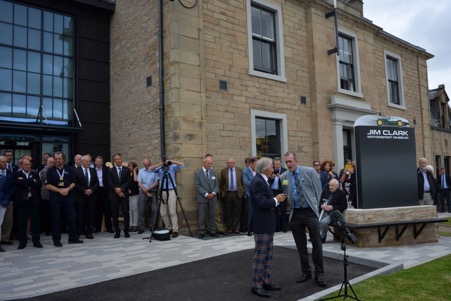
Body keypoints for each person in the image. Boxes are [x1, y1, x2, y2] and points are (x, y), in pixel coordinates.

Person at [281, 151, 326, 287]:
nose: (288, 164)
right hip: (295, 214)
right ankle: (306, 272)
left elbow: (318, 191)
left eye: (290, 161)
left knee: (317, 244)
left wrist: (314, 207)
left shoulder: (310, 172)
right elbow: (285, 194)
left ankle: (320, 273)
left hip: (310, 212)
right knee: (301, 246)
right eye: (286, 162)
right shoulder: (284, 176)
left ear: (297, 161)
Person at [249, 157, 286, 298]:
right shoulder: (257, 182)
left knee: (268, 255)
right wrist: (276, 200)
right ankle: (256, 285)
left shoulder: (262, 180)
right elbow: (262, 202)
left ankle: (265, 280)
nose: (274, 169)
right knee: (260, 256)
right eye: (272, 166)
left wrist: (275, 199)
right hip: (261, 225)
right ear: (265, 168)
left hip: (267, 224)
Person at [45, 151, 83, 247]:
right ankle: (56, 240)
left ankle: (73, 238)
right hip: (55, 198)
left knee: (72, 218)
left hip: (68, 197)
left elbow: (74, 182)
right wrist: (59, 190)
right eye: (56, 159)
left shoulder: (69, 169)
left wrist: (67, 189)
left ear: (63, 159)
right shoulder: (50, 170)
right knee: (56, 219)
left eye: (59, 158)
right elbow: (47, 185)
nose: (57, 160)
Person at [149, 157, 185, 238]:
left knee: (172, 211)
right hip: (162, 190)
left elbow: (182, 164)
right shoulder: (159, 168)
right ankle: (168, 228)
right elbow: (150, 169)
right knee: (163, 212)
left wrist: (171, 161)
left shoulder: (172, 167)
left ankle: (175, 230)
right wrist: (159, 164)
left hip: (171, 190)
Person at [14, 158, 43, 249]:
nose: (27, 166)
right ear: (21, 165)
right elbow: (17, 185)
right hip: (22, 202)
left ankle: (36, 241)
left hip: (33, 201)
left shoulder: (34, 173)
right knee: (22, 222)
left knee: (35, 222)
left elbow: (39, 185)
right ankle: (22, 242)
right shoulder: (17, 174)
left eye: (29, 164)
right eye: (25, 164)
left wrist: (25, 181)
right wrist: (31, 181)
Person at [73, 155, 99, 239]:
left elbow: (97, 183)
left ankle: (89, 232)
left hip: (91, 197)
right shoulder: (76, 171)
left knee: (90, 216)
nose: (88, 163)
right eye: (87, 161)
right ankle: (78, 233)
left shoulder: (93, 170)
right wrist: (84, 190)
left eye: (89, 161)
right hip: (80, 197)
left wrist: (91, 190)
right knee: (80, 216)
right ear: (82, 161)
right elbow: (75, 184)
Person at [195, 156, 219, 238]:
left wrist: (213, 193)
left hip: (212, 197)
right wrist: (206, 194)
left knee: (212, 215)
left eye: (211, 164)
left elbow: (216, 184)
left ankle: (213, 231)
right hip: (203, 198)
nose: (210, 165)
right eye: (208, 163)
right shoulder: (198, 173)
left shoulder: (213, 172)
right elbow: (197, 186)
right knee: (202, 216)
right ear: (204, 163)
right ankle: (202, 231)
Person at [108, 153, 131, 239]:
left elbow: (128, 181)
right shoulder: (111, 170)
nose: (119, 160)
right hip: (114, 195)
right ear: (114, 161)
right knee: (114, 214)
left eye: (120, 159)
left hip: (124, 194)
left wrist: (121, 189)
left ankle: (126, 231)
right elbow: (109, 182)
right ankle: (117, 231)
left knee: (126, 213)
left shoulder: (127, 170)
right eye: (117, 159)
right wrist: (117, 190)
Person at [220, 158, 245, 234]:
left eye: (232, 163)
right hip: (228, 193)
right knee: (228, 211)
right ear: (227, 163)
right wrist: (223, 192)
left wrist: (242, 190)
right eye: (229, 163)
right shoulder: (223, 171)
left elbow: (242, 182)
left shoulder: (239, 170)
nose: (230, 164)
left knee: (237, 211)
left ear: (234, 163)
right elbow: (222, 183)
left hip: (237, 193)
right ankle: (230, 227)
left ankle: (236, 227)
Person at [137, 158, 159, 234]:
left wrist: (148, 189)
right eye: (145, 165)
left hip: (152, 190)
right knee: (141, 209)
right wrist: (145, 191)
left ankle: (153, 226)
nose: (147, 166)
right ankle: (141, 227)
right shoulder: (141, 171)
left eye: (148, 165)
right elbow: (139, 183)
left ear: (150, 163)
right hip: (143, 191)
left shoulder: (154, 171)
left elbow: (156, 182)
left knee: (154, 209)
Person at [1, 150, 18, 244]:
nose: (9, 157)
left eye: (11, 155)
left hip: (9, 198)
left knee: (8, 218)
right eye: (7, 155)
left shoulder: (13, 169)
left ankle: (5, 238)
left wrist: (10, 194)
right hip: (1, 198)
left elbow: (14, 184)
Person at [93, 156, 113, 233]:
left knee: (107, 210)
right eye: (98, 162)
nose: (99, 163)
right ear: (95, 162)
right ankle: (97, 227)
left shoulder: (107, 169)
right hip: (96, 191)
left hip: (105, 191)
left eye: (101, 162)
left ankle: (109, 228)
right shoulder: (92, 170)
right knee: (97, 210)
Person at [271, 157, 288, 232]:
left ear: (280, 163)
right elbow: (268, 181)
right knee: (275, 210)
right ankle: (276, 227)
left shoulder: (285, 171)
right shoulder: (271, 170)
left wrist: (280, 177)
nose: (276, 165)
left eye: (278, 164)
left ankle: (284, 227)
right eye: (275, 164)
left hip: (282, 192)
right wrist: (271, 178)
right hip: (273, 192)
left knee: (283, 210)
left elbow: (287, 182)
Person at [39, 157, 54, 235]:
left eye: (53, 163)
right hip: (46, 194)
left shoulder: (54, 170)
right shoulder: (44, 171)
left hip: (53, 194)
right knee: (47, 213)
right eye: (50, 162)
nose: (52, 164)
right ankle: (47, 230)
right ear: (46, 163)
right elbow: (48, 182)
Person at [243, 157, 257, 234]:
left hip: (257, 195)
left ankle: (256, 228)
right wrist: (256, 184)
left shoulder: (257, 171)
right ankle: (249, 229)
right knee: (250, 212)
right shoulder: (245, 171)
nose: (256, 166)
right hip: (249, 194)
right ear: (251, 164)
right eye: (255, 164)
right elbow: (246, 182)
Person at [127, 161, 139, 232]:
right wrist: (127, 189)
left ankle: (135, 225)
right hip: (128, 194)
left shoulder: (137, 173)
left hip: (135, 193)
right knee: (129, 210)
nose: (129, 167)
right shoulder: (126, 174)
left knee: (135, 209)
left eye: (131, 166)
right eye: (129, 166)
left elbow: (136, 180)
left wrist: (134, 171)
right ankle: (130, 224)